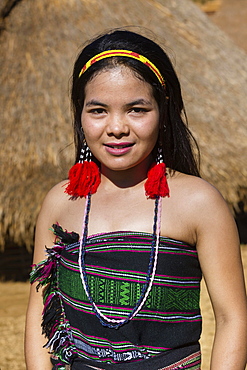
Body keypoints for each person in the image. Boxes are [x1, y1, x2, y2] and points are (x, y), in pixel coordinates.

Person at [25, 29, 247, 370]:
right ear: (80, 114)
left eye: (136, 109)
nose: (116, 127)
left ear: (163, 110)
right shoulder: (60, 203)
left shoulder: (198, 204)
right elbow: (39, 312)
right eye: (98, 110)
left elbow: (233, 318)